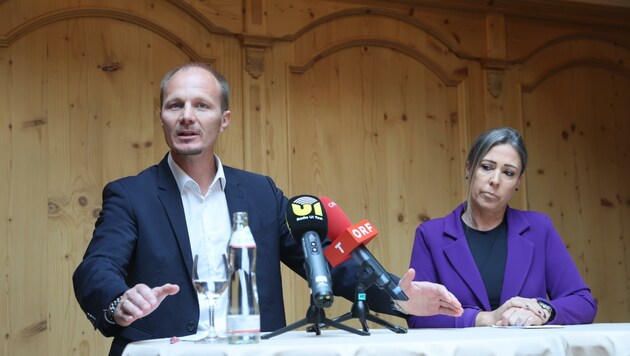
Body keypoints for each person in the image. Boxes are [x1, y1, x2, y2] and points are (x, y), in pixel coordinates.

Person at [73, 62, 463, 355]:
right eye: (175, 105)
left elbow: (323, 260)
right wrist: (120, 300)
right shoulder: (131, 195)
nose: (187, 115)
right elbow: (96, 268)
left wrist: (395, 293)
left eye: (201, 106)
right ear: (162, 118)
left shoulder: (262, 193)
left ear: (224, 120)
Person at [407, 127, 597, 328]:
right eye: (487, 167)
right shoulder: (430, 235)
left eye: (508, 173)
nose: (495, 180)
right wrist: (485, 318)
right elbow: (417, 314)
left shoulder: (539, 229)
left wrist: (542, 311)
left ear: (518, 181)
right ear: (469, 169)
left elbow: (584, 303)